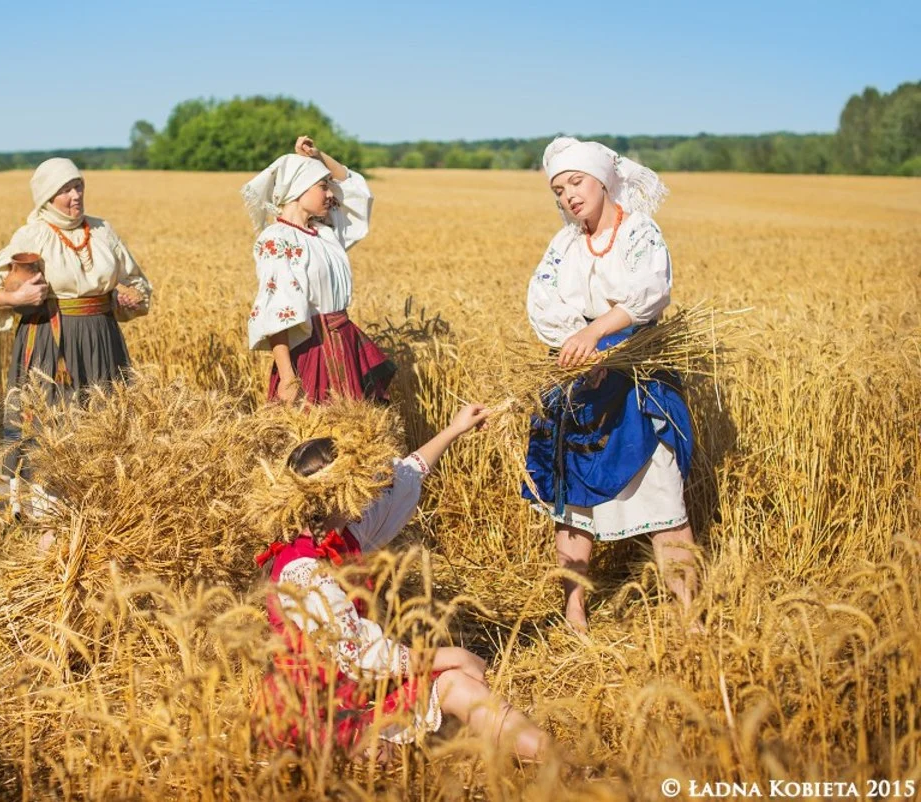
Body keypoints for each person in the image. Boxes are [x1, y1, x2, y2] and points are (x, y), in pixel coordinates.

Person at [254, 404, 552, 760]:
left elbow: (402, 481)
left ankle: (566, 768)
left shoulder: (343, 533)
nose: (369, 489)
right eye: (360, 482)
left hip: (360, 689)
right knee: (395, 763)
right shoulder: (302, 572)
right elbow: (362, 654)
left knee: (459, 685)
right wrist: (451, 654)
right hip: (320, 714)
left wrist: (454, 429)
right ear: (337, 494)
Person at [523, 136, 699, 633]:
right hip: (578, 378)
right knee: (572, 503)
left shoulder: (640, 232)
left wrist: (599, 337)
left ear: (601, 180)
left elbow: (651, 290)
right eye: (559, 189)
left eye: (576, 182)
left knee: (665, 499)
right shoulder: (564, 245)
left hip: (637, 377)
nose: (568, 195)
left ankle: (688, 614)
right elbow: (542, 301)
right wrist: (576, 350)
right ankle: (574, 612)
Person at [0, 157, 152, 516]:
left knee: (104, 419)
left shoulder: (102, 231)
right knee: (52, 423)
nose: (75, 195)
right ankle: (47, 516)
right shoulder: (32, 236)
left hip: (102, 341)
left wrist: (127, 297)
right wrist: (16, 297)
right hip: (51, 345)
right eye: (64, 190)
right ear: (46, 197)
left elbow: (137, 283)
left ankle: (102, 506)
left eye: (78, 186)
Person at [243, 136, 396, 405]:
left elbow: (356, 192)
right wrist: (289, 377)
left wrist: (318, 155)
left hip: (344, 345)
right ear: (297, 190)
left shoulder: (326, 233)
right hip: (310, 352)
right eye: (323, 187)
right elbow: (276, 311)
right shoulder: (277, 239)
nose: (330, 194)